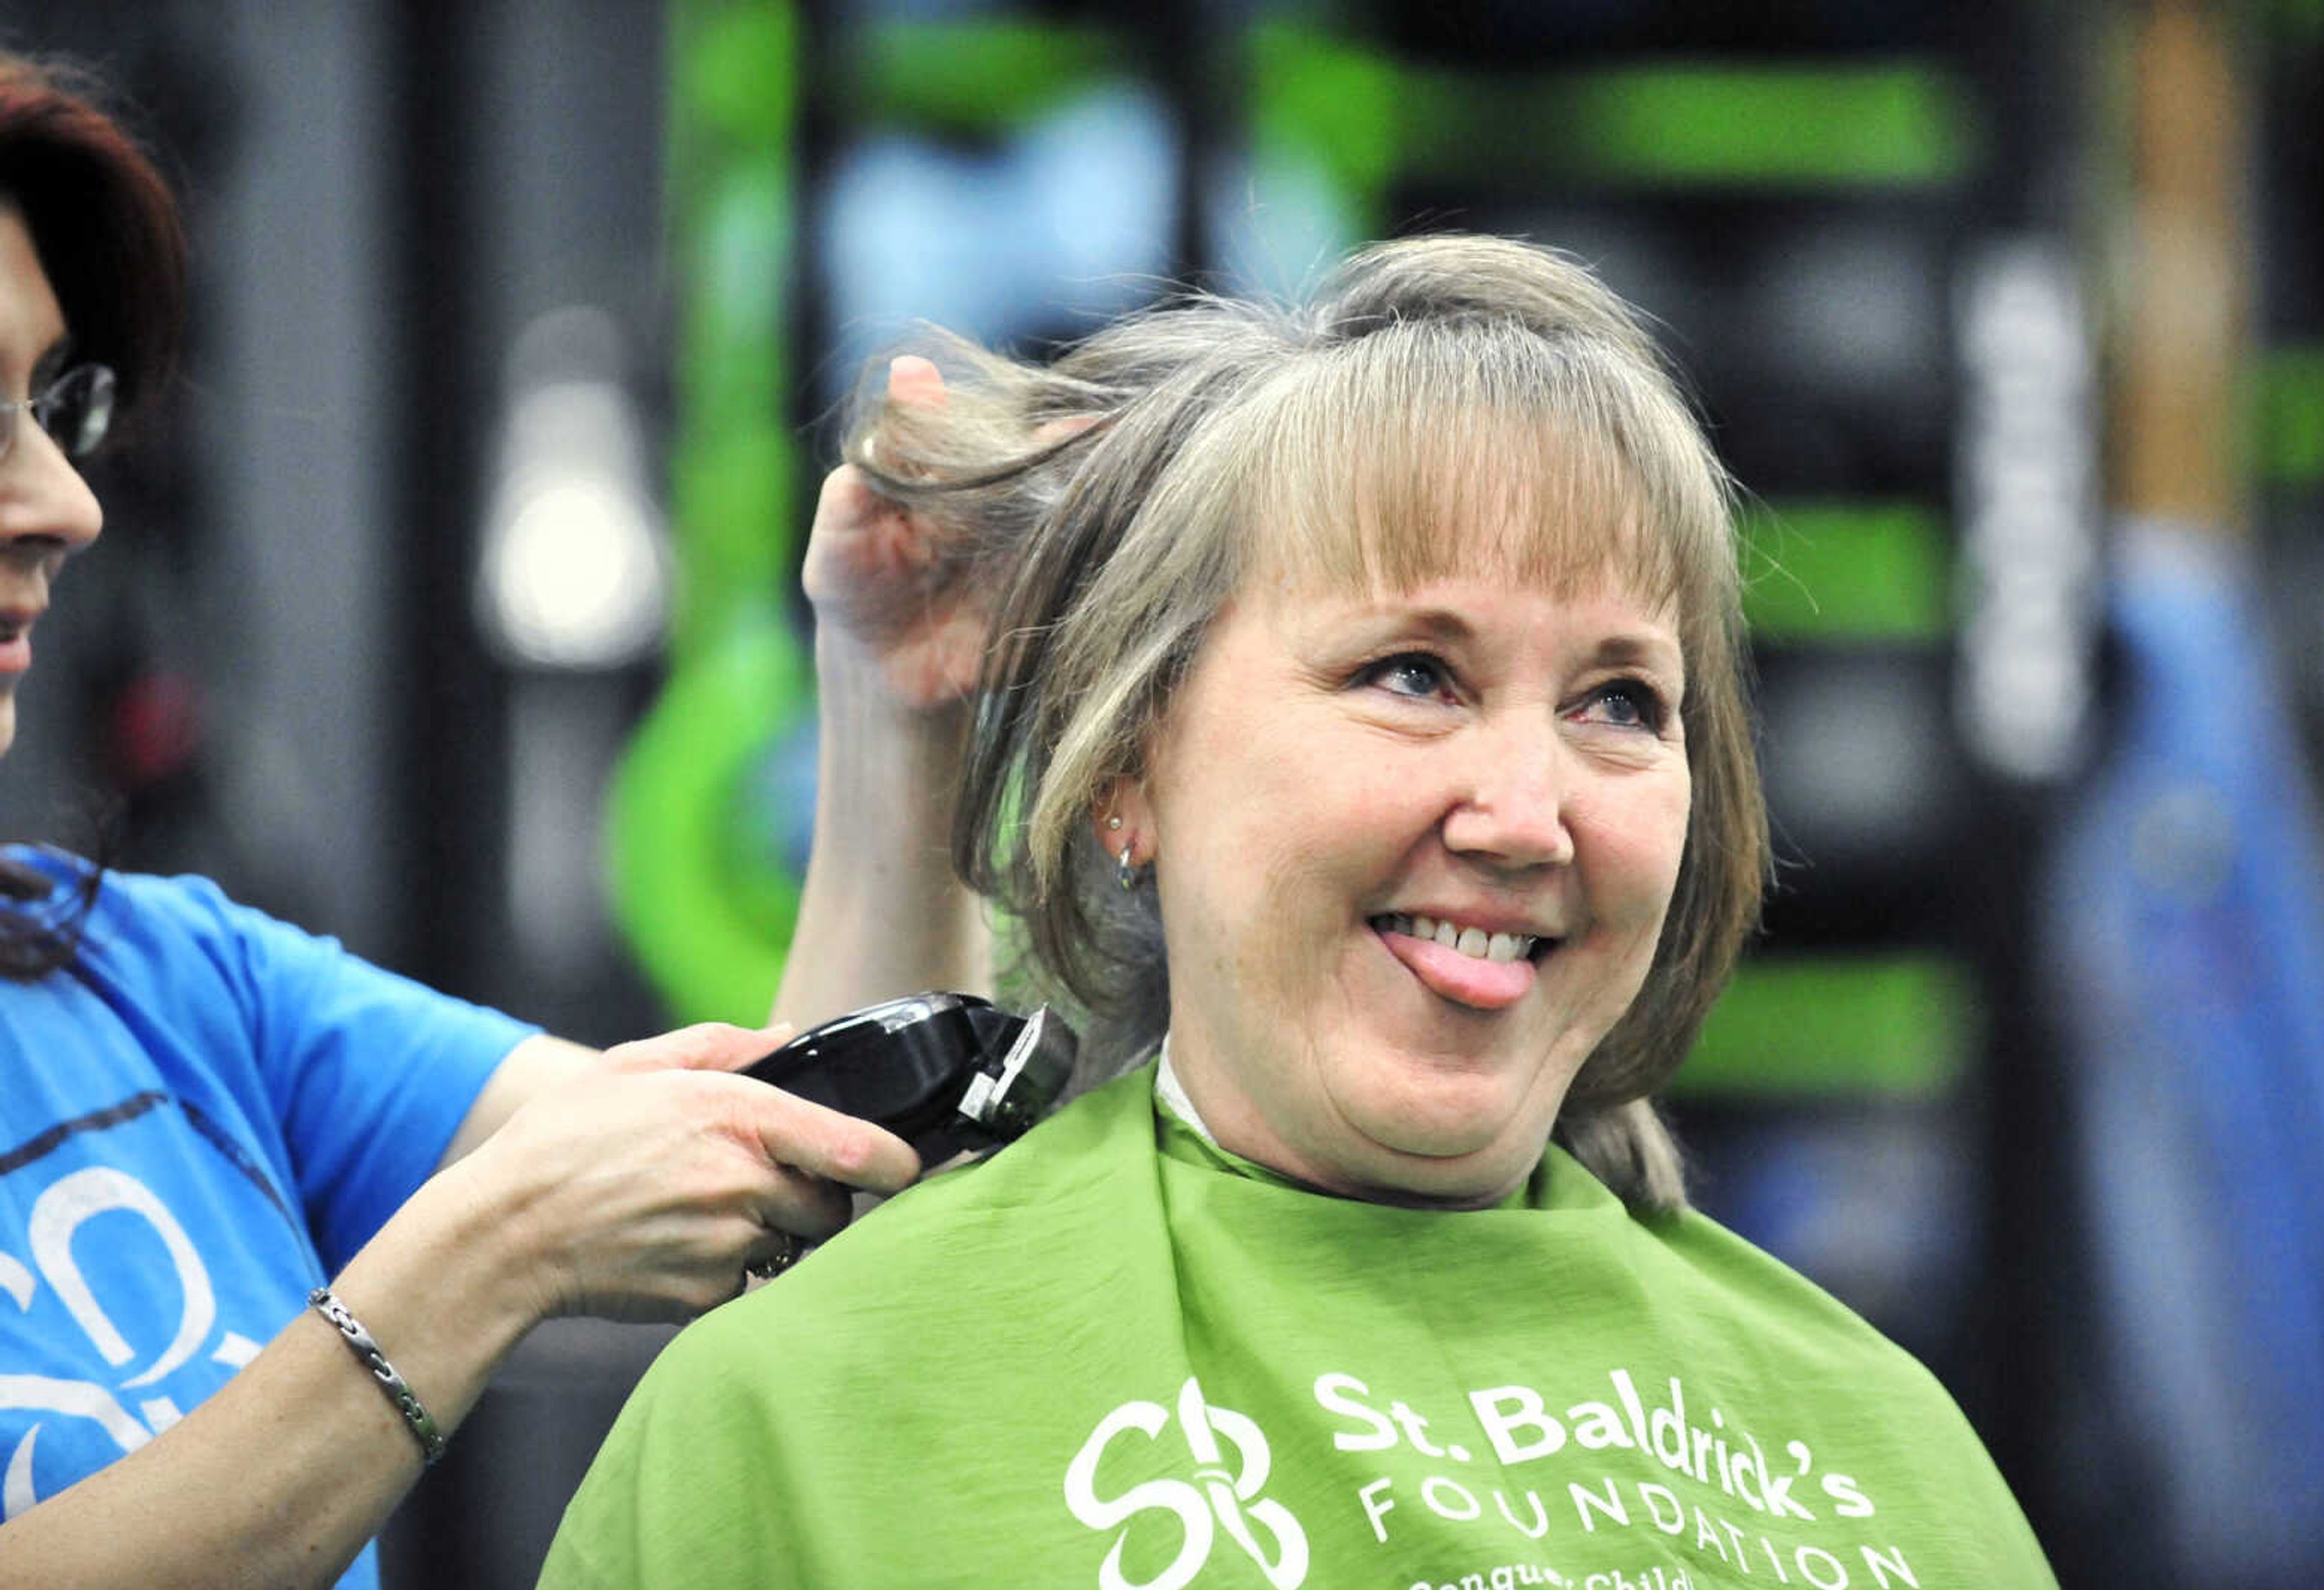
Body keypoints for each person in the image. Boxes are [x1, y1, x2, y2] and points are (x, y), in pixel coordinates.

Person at [539, 235, 2060, 1586]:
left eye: (1618, 701)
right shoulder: (807, 1418)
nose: (1527, 816)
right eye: (1414, 676)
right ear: (1130, 766)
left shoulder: (1882, 1447)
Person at [0, 54, 940, 1590]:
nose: (68, 502)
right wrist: (485, 1259)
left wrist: (904, 703)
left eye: (55, 407)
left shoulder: (153, 982)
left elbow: (810, 1186)